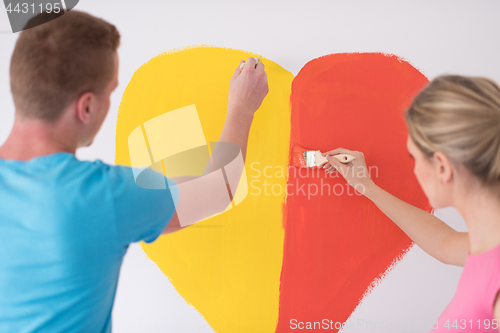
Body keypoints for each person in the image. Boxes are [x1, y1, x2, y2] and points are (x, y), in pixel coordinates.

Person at [0, 10, 268, 333]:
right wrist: (242, 108)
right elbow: (221, 186)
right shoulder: (105, 196)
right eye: (110, 92)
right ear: (86, 107)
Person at [323, 75, 500, 331]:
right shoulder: (485, 247)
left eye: (413, 157)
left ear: (442, 167)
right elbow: (443, 242)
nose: (415, 170)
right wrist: (367, 187)